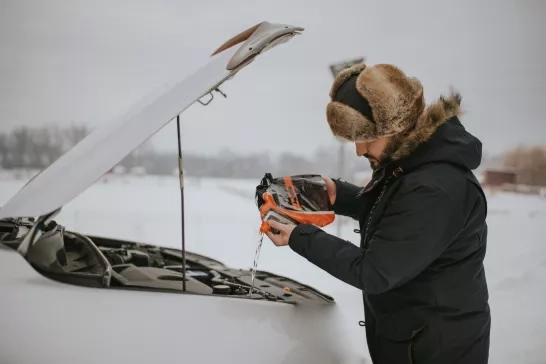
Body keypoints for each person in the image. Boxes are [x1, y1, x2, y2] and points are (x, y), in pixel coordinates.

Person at [265, 63, 491, 364]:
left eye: (365, 137)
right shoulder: (415, 163)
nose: (359, 150)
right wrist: (337, 194)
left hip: (436, 351)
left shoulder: (435, 189)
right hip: (416, 340)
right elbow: (397, 215)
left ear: (395, 126)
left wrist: (299, 236)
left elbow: (375, 271)